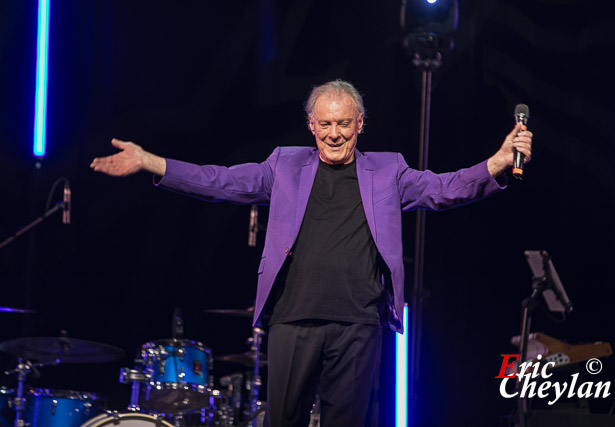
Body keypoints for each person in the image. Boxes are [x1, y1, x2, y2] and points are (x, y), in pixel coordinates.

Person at [91, 79, 532, 426]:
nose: (335, 134)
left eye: (344, 124)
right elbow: (219, 180)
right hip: (293, 319)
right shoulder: (284, 165)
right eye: (326, 124)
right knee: (283, 422)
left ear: (360, 123)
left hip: (358, 322)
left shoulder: (388, 170)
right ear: (311, 125)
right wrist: (151, 161)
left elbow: (444, 189)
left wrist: (497, 160)